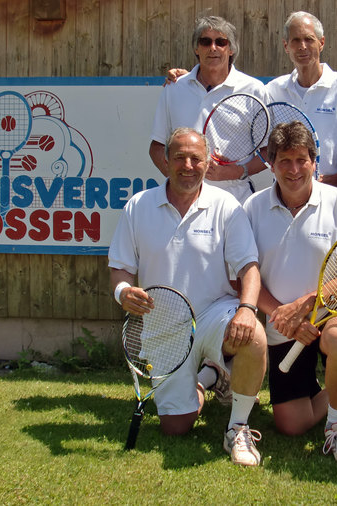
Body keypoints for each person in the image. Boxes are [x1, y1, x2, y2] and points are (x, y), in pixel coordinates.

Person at [109, 127, 267, 466]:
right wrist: (124, 292)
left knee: (253, 335)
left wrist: (247, 309)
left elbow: (249, 268)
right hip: (164, 326)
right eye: (179, 157)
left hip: (214, 314)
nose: (187, 165)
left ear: (208, 164)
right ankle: (209, 376)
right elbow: (120, 269)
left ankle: (237, 427)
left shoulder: (226, 206)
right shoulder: (138, 206)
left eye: (196, 158)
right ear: (165, 161)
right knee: (176, 428)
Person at [243, 121, 337, 469]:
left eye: (302, 159)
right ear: (271, 164)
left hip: (330, 316)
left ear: (315, 162)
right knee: (290, 424)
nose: (294, 169)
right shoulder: (252, 209)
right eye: (284, 160)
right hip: (282, 327)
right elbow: (247, 274)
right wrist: (280, 314)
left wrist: (307, 304)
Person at [150, 15, 269, 204]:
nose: (213, 48)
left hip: (237, 202)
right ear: (197, 48)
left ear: (231, 49)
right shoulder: (174, 88)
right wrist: (180, 180)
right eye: (205, 41)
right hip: (185, 204)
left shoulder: (254, 90)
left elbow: (269, 151)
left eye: (221, 42)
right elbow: (156, 147)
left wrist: (236, 171)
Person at [265, 11, 337, 188]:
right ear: (286, 46)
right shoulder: (273, 90)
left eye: (309, 39)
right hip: (285, 198)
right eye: (295, 40)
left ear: (322, 43)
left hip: (335, 194)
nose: (302, 46)